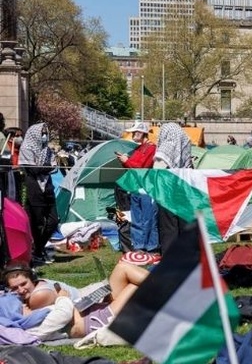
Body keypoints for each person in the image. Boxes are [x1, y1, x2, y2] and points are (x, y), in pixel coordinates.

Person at [4, 261, 148, 338]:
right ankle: (167, 288)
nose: (21, 291)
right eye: (15, 288)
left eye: (24, 284)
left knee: (122, 268)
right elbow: (63, 314)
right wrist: (62, 298)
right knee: (134, 285)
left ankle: (168, 285)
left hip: (93, 306)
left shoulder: (30, 307)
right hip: (98, 318)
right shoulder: (29, 325)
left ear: (32, 279)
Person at [118, 122, 159, 263]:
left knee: (148, 219)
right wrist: (125, 161)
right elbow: (133, 166)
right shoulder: (140, 148)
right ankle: (139, 247)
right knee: (137, 219)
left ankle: (152, 248)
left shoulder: (151, 148)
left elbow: (142, 166)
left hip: (146, 188)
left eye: (134, 132)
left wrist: (126, 161)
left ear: (141, 133)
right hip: (136, 187)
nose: (132, 135)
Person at [18, 123, 58, 265]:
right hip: (34, 187)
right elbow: (33, 171)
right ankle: (38, 251)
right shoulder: (26, 147)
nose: (44, 135)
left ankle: (39, 248)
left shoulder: (47, 149)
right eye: (42, 132)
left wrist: (43, 168)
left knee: (53, 221)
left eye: (46, 132)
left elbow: (55, 168)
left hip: (48, 187)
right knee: (37, 222)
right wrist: (46, 167)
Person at [154, 123, 193, 253]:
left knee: (168, 226)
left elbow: (157, 169)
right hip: (184, 190)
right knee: (184, 225)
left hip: (168, 191)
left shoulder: (166, 148)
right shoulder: (184, 145)